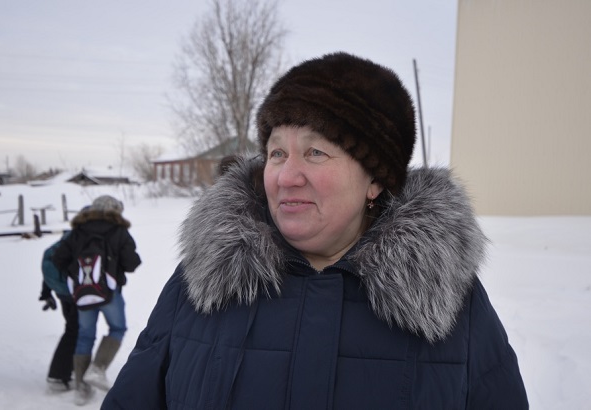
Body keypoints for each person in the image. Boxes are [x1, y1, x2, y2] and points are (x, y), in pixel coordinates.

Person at [103, 52, 528, 409]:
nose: (286, 176)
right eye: (276, 153)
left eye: (315, 152)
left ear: (375, 180)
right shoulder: (200, 282)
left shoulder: (450, 301)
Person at [53, 195, 141, 405]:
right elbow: (131, 263)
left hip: (82, 293)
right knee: (117, 328)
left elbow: (58, 258)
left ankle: (81, 389)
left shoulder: (78, 230)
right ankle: (98, 368)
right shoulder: (118, 230)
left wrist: (75, 274)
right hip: (110, 292)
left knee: (85, 336)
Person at [39, 231, 78, 392]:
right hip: (74, 293)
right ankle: (58, 375)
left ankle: (68, 370)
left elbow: (55, 264)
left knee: (73, 330)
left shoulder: (66, 239)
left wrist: (46, 293)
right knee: (74, 332)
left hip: (62, 293)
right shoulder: (81, 240)